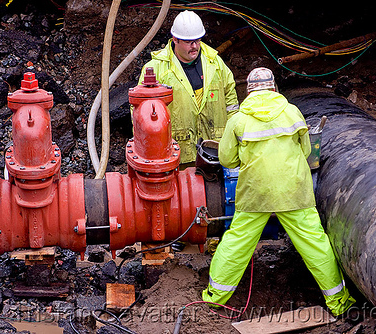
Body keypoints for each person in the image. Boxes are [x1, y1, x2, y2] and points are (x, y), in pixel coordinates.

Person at [201, 67, 356, 316]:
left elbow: (227, 161)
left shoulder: (238, 120)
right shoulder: (292, 112)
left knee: (236, 243)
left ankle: (214, 299)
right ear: (273, 88)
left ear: (248, 91)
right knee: (315, 244)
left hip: (255, 193)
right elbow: (306, 150)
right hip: (294, 191)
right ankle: (339, 302)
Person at [138, 10, 239, 164]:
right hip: (176, 154)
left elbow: (231, 104)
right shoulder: (156, 70)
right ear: (175, 40)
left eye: (197, 41)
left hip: (215, 151)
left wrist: (232, 139)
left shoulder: (215, 64)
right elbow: (141, 114)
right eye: (189, 42)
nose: (195, 46)